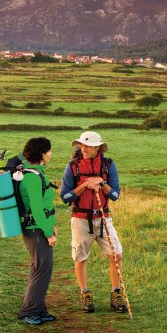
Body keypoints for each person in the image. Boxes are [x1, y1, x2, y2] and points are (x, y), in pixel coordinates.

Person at [60, 131, 127, 313]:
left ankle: (115, 293)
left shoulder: (108, 165)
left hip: (104, 218)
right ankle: (85, 294)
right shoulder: (72, 167)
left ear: (98, 148)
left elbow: (114, 195)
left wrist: (101, 182)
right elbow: (64, 197)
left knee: (117, 254)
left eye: (87, 145)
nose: (83, 148)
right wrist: (84, 185)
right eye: (81, 145)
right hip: (80, 219)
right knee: (80, 258)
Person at [16, 137, 58, 325]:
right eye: (48, 151)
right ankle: (29, 311)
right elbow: (37, 210)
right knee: (42, 269)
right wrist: (49, 233)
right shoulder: (32, 177)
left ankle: (39, 309)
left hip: (36, 229)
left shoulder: (34, 173)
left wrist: (52, 224)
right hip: (36, 230)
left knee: (38, 268)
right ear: (42, 154)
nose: (50, 154)